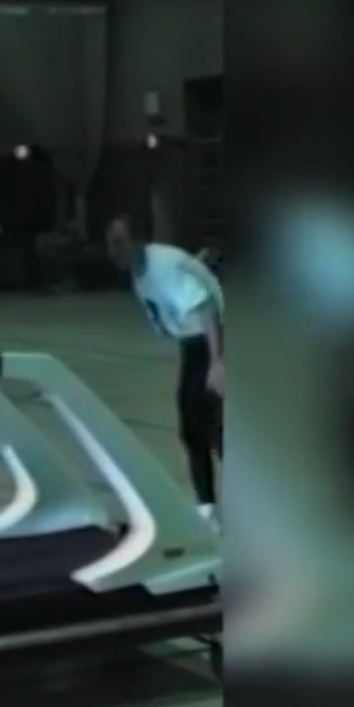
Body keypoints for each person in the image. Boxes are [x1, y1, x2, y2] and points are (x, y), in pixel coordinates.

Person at [106, 215, 224, 528]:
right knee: (194, 430)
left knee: (215, 429)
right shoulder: (141, 273)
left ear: (137, 241)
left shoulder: (162, 264)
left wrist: (218, 362)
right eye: (110, 244)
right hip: (192, 346)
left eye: (119, 242)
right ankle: (207, 506)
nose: (113, 251)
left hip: (209, 342)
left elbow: (205, 307)